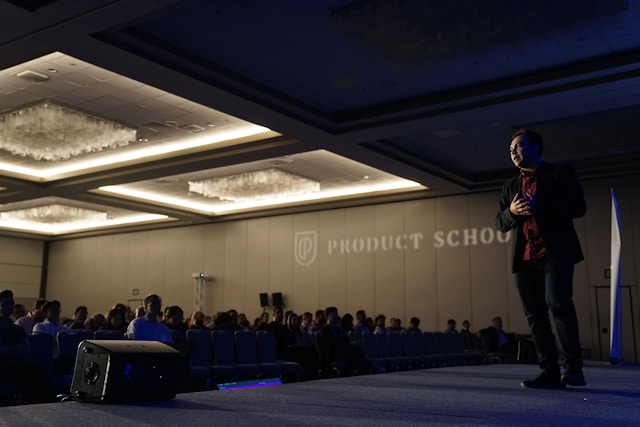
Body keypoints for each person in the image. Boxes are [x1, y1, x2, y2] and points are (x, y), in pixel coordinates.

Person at [496, 128, 587, 389]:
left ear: (537, 148)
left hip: (555, 252)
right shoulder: (510, 186)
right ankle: (548, 370)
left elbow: (578, 207)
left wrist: (541, 207)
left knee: (558, 303)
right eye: (511, 149)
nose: (513, 152)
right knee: (535, 315)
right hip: (524, 259)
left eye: (519, 146)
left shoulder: (560, 174)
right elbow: (500, 223)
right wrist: (512, 212)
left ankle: (573, 369)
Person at [0, 289, 53, 404]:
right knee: (31, 370)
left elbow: (26, 350)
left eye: (9, 304)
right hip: (3, 367)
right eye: (3, 304)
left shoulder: (17, 329)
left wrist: (7, 350)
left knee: (35, 371)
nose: (4, 307)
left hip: (17, 365)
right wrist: (16, 348)